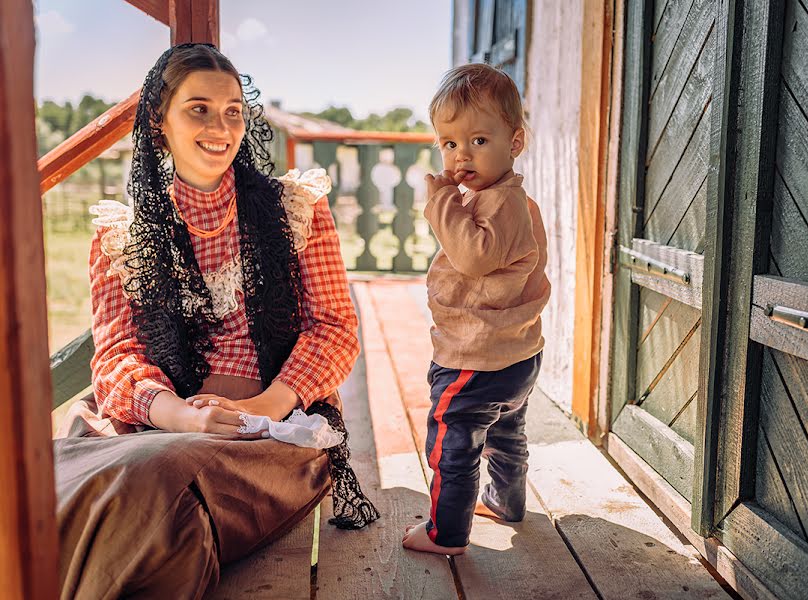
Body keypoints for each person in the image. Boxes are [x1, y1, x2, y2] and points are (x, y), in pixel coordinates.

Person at [54, 43, 377, 599]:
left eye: (233, 111)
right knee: (68, 485)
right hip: (161, 425)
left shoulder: (294, 210)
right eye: (198, 108)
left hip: (274, 438)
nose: (220, 126)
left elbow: (334, 329)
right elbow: (115, 354)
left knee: (153, 484)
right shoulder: (123, 234)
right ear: (160, 123)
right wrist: (179, 415)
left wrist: (261, 408)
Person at [402, 63, 551, 555]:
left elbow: (471, 256)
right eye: (449, 143)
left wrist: (442, 200)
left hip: (477, 358)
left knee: (453, 442)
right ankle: (506, 501)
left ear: (515, 142)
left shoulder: (503, 204)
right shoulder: (500, 199)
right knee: (506, 434)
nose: (461, 154)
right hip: (513, 354)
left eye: (479, 141)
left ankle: (445, 534)